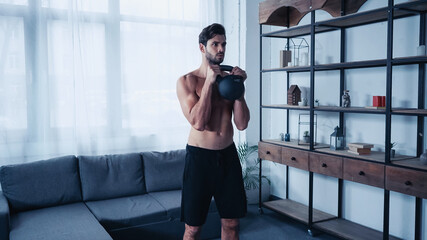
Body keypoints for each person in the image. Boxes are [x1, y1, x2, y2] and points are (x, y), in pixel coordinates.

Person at [176, 23, 250, 240]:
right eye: (215, 44)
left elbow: (242, 124)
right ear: (202, 48)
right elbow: (198, 122)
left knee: (232, 224)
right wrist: (209, 82)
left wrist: (238, 87)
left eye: (223, 44)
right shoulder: (187, 81)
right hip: (200, 160)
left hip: (227, 156)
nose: (221, 49)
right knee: (193, 228)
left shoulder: (229, 80)